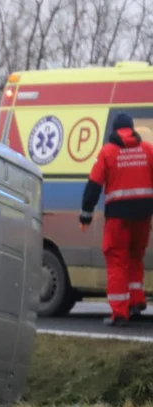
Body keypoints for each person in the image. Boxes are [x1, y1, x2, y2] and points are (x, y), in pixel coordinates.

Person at [80, 112, 153, 325]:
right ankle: (136, 301)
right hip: (143, 215)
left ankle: (120, 313)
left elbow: (93, 186)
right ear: (132, 129)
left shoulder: (108, 153)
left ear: (114, 130)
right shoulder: (148, 150)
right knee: (135, 257)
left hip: (118, 217)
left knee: (117, 261)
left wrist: (85, 216)